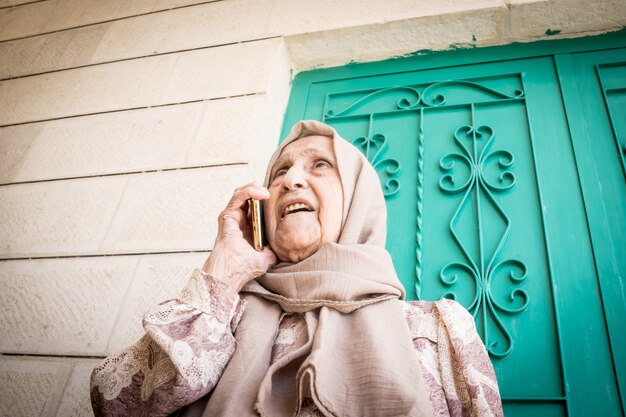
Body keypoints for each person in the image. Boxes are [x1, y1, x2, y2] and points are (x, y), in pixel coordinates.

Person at [90, 120, 504, 417]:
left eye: (319, 165)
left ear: (357, 198)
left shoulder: (437, 329)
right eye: (280, 172)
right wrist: (224, 272)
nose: (291, 181)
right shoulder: (219, 316)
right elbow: (115, 402)